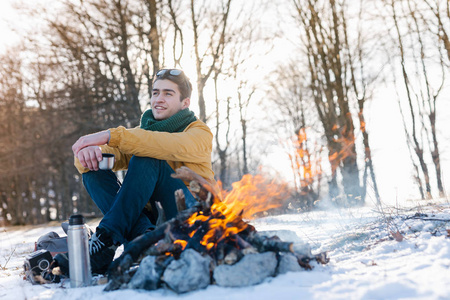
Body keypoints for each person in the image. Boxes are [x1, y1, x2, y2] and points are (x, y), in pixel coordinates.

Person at [71, 69, 215, 274]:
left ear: (185, 102)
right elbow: (91, 161)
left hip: (192, 217)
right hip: (154, 222)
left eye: (168, 93)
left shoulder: (199, 133)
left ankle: (106, 237)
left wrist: (111, 135)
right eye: (155, 92)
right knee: (93, 171)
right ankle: (140, 239)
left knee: (147, 155)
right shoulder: (143, 134)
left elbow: (163, 144)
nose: (159, 99)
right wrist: (88, 153)